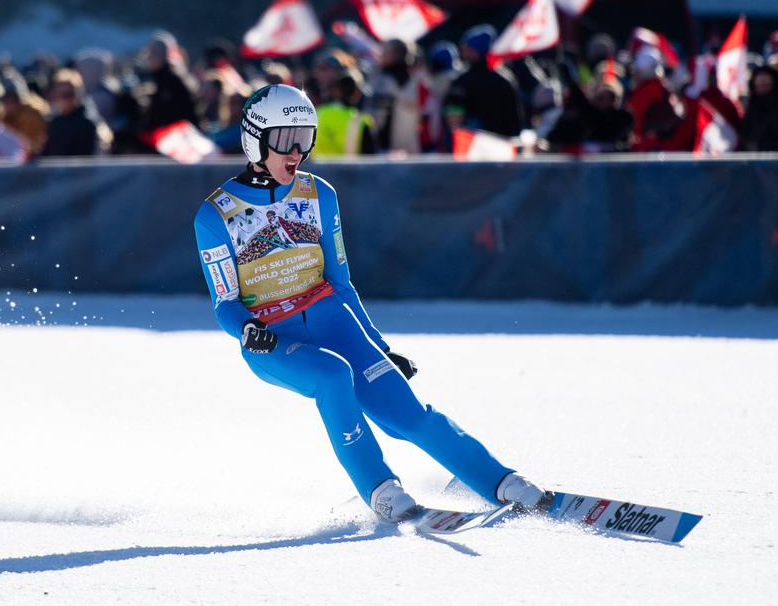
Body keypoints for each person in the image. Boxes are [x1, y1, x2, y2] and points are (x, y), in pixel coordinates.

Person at [192, 83, 546, 524]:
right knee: (333, 376)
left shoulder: (319, 194)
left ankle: (501, 481)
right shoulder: (215, 214)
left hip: (330, 317)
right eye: (286, 139)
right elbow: (224, 302)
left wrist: (379, 346)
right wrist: (247, 329)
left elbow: (341, 284)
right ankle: (379, 487)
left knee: (408, 414)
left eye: (305, 138)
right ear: (254, 139)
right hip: (273, 339)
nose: (297, 151)